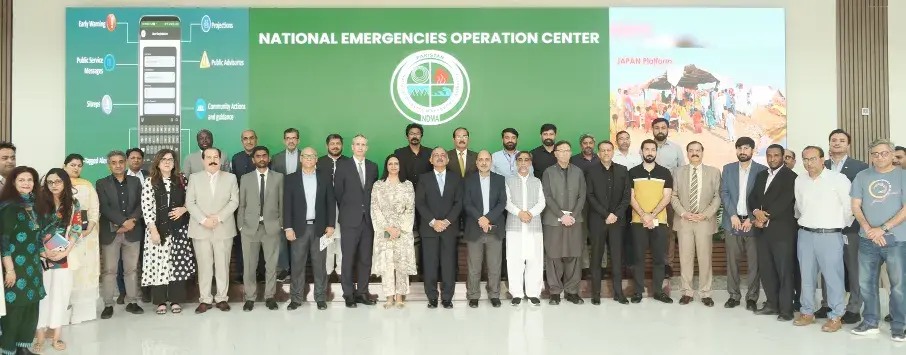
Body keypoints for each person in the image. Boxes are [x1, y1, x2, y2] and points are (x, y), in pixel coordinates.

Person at [850, 139, 906, 341]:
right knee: (867, 283)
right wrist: (868, 229)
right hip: (867, 240)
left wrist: (882, 229)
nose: (879, 157)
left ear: (892, 154)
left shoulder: (903, 176)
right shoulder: (862, 176)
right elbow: (856, 206)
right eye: (875, 154)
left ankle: (899, 326)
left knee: (898, 285)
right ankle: (870, 322)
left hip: (897, 240)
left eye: (883, 153)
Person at [793, 146, 852, 333]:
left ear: (822, 159)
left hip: (830, 235)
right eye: (805, 159)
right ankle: (807, 312)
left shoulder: (838, 179)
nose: (808, 163)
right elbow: (799, 206)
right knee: (807, 276)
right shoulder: (800, 180)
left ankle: (836, 316)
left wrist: (838, 226)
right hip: (805, 234)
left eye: (812, 159)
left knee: (833, 278)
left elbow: (848, 207)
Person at [817, 129, 868, 323]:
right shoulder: (822, 165)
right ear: (829, 144)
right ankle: (827, 303)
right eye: (833, 140)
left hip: (851, 227)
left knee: (853, 268)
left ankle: (854, 307)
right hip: (826, 227)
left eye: (841, 140)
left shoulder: (860, 167)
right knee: (827, 266)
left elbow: (861, 197)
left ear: (848, 145)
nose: (837, 143)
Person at [0, 166, 48, 355]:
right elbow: (3, 241)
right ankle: (7, 349)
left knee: (31, 305)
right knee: (15, 308)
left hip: (32, 265)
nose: (26, 183)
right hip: (14, 266)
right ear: (13, 183)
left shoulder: (35, 205)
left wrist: (45, 252)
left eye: (30, 180)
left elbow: (38, 234)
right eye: (21, 180)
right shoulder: (8, 207)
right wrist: (10, 270)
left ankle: (23, 346)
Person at [140, 149, 195, 315]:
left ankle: (176, 300)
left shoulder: (182, 180)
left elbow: (192, 200)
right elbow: (146, 208)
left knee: (176, 266)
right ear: (157, 162)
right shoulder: (150, 182)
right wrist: (153, 230)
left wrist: (184, 209)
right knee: (160, 265)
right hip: (158, 231)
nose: (167, 162)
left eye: (170, 159)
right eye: (163, 159)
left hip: (179, 230)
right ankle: (161, 302)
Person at [186, 147, 239, 314]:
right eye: (208, 157)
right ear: (203, 160)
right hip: (200, 229)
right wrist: (204, 220)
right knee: (204, 266)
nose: (212, 160)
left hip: (223, 228)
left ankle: (222, 298)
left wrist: (218, 218)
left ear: (221, 159)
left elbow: (234, 201)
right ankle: (205, 299)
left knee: (223, 266)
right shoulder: (194, 178)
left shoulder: (231, 178)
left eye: (215, 157)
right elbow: (190, 202)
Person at [34, 168, 81, 353]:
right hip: (41, 256)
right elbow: (33, 228)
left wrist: (66, 250)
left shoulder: (73, 203)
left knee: (60, 296)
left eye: (58, 182)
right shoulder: (38, 202)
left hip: (63, 256)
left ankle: (56, 336)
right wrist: (43, 251)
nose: (54, 185)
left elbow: (76, 228)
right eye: (50, 182)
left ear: (65, 183)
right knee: (42, 296)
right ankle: (39, 337)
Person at [748, 144, 797, 321]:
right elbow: (752, 197)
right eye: (769, 155)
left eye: (776, 155)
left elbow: (785, 201)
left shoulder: (791, 177)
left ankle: (786, 310)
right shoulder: (761, 175)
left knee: (784, 271)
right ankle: (771, 304)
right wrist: (755, 212)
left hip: (782, 232)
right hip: (762, 233)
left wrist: (764, 218)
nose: (772, 159)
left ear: (783, 157)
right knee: (767, 270)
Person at [284, 147, 336, 311]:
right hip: (298, 229)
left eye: (312, 156)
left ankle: (320, 298)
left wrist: (331, 224)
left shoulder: (325, 177)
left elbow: (330, 202)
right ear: (300, 159)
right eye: (305, 156)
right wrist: (288, 227)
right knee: (297, 265)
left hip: (320, 229)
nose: (308, 158)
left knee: (320, 265)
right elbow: (287, 205)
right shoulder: (291, 179)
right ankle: (296, 299)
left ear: (316, 159)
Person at [670, 141, 721, 307]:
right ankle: (687, 292)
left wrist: (705, 215)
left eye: (698, 150)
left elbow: (717, 197)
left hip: (704, 222)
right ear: (687, 153)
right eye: (691, 150)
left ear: (702, 152)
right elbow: (673, 196)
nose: (694, 153)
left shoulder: (714, 172)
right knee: (685, 258)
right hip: (684, 220)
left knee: (705, 258)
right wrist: (684, 213)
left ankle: (706, 293)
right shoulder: (677, 172)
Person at [720, 137, 766, 310]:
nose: (742, 151)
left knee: (754, 263)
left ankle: (752, 297)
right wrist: (732, 215)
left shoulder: (762, 170)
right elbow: (724, 193)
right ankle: (733, 295)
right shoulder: (728, 169)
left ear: (752, 150)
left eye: (746, 148)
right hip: (732, 222)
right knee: (732, 261)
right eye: (739, 148)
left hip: (751, 222)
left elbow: (762, 198)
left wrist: (751, 219)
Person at [96, 150, 144, 319]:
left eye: (121, 162)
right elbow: (104, 207)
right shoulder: (101, 183)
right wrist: (122, 223)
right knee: (109, 270)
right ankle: (108, 304)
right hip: (111, 232)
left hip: (132, 231)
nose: (118, 165)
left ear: (126, 163)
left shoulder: (136, 181)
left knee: (131, 269)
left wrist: (131, 221)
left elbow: (140, 204)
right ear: (109, 165)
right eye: (114, 162)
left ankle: (132, 302)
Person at [415, 147, 463, 309]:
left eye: (443, 155)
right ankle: (432, 297)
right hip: (430, 229)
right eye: (436, 155)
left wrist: (447, 221)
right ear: (430, 160)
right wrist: (433, 221)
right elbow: (420, 203)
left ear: (448, 160)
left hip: (450, 229)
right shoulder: (423, 178)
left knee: (449, 264)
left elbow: (459, 203)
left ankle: (447, 297)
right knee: (430, 264)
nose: (440, 157)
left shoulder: (456, 178)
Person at [334, 134, 378, 308]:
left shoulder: (373, 166)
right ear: (352, 147)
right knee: (348, 258)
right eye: (357, 144)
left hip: (368, 220)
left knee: (366, 259)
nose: (360, 147)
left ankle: (362, 292)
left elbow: (374, 194)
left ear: (367, 148)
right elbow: (338, 193)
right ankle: (348, 294)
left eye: (363, 145)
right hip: (349, 220)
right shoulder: (342, 166)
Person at [238, 146, 284, 311]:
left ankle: (270, 297)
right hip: (250, 228)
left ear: (269, 158)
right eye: (258, 156)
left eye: (264, 155)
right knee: (249, 265)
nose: (261, 158)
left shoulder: (278, 178)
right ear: (253, 160)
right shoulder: (245, 178)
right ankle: (250, 297)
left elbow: (282, 203)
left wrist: (281, 223)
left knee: (271, 265)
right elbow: (241, 204)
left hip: (272, 227)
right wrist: (241, 225)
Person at [541, 141, 586, 305]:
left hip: (574, 220)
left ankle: (572, 292)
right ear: (556, 153)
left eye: (568, 150)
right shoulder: (548, 172)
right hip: (554, 220)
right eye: (562, 151)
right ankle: (554, 292)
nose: (565, 154)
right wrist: (561, 215)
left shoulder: (578, 172)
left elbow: (582, 196)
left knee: (574, 255)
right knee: (553, 256)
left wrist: (572, 215)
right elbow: (547, 196)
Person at [585, 140, 630, 305]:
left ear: (613, 152)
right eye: (602, 150)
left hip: (617, 221)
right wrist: (606, 214)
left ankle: (619, 293)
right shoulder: (590, 171)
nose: (606, 153)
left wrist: (615, 214)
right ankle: (595, 294)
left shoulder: (623, 170)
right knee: (596, 257)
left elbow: (626, 197)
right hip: (598, 220)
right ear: (598, 153)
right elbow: (589, 196)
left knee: (617, 258)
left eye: (609, 150)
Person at [628, 139, 673, 304]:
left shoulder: (665, 172)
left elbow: (667, 197)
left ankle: (658, 292)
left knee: (659, 258)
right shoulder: (632, 172)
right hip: (638, 222)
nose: (649, 152)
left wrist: (652, 215)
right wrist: (643, 215)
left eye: (652, 149)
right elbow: (630, 197)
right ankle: (638, 292)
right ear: (641, 151)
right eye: (646, 149)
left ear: (656, 152)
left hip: (659, 222)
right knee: (638, 258)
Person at [370, 155, 416, 309]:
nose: (394, 166)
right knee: (387, 264)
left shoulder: (407, 185)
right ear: (386, 166)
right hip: (384, 231)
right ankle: (389, 297)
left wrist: (399, 229)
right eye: (390, 163)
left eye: (396, 163)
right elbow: (375, 208)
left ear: (400, 166)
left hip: (402, 231)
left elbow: (410, 209)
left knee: (401, 265)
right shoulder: (378, 185)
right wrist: (388, 228)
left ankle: (400, 296)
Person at [463, 150, 507, 308]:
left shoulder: (500, 180)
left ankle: (494, 294)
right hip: (474, 228)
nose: (483, 162)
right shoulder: (468, 180)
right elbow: (466, 203)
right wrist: (480, 219)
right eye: (480, 160)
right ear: (476, 163)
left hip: (494, 228)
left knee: (494, 266)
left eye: (487, 159)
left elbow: (502, 203)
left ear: (491, 162)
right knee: (474, 267)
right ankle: (473, 295)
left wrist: (488, 218)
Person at [62, 154, 101, 324]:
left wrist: (89, 228)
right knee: (66, 272)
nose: (76, 168)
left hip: (86, 236)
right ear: (64, 166)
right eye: (72, 165)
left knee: (85, 272)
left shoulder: (87, 186)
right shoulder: (57, 184)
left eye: (79, 165)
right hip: (63, 236)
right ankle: (62, 313)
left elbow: (94, 210)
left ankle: (83, 313)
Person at [505, 151, 546, 306]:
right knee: (514, 260)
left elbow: (542, 202)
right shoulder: (508, 181)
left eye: (526, 160)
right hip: (514, 225)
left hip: (533, 225)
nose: (523, 163)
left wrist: (530, 213)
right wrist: (519, 213)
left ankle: (533, 293)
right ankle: (516, 293)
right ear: (516, 163)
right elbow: (507, 202)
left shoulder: (537, 182)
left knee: (534, 260)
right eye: (520, 160)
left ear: (530, 163)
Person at [271, 128, 301, 283]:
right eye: (288, 138)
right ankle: (284, 269)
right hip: (281, 201)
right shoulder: (276, 158)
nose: (291, 141)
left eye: (294, 138)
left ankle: (296, 269)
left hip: (301, 203)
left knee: (298, 237)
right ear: (284, 140)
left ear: (298, 140)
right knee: (282, 238)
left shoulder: (305, 157)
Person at [230, 130, 259, 284]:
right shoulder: (236, 158)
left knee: (260, 240)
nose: (249, 141)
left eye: (251, 138)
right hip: (241, 207)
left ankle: (259, 274)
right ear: (242, 141)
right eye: (245, 139)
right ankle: (242, 273)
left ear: (256, 139)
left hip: (261, 207)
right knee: (241, 242)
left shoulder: (263, 155)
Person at [317, 134, 347, 281]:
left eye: (338, 143)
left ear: (342, 145)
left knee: (342, 241)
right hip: (324, 207)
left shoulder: (349, 162)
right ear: (327, 145)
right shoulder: (319, 162)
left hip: (344, 207)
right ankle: (327, 271)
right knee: (327, 239)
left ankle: (341, 271)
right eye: (332, 143)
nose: (335, 146)